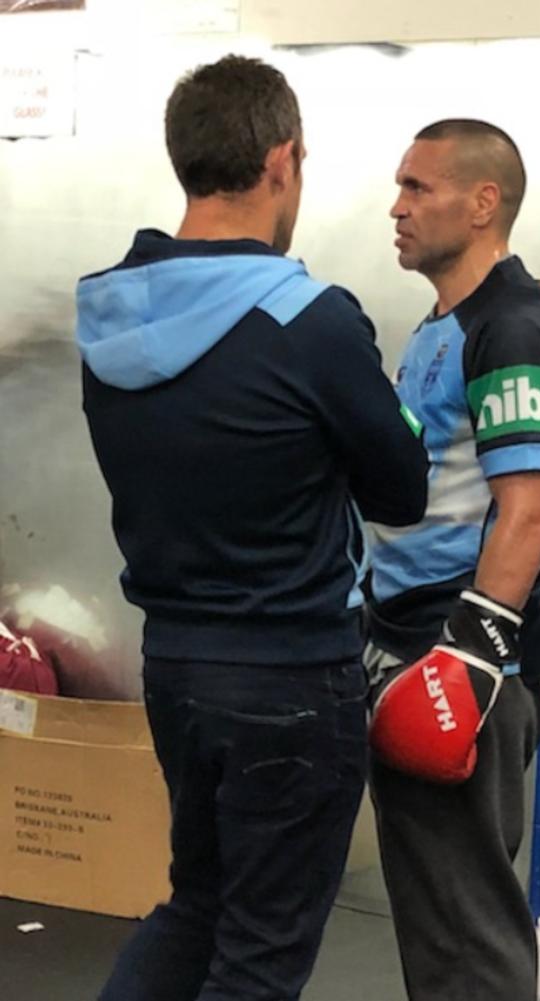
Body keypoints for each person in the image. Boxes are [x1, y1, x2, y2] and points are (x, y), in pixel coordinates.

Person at [75, 55, 429, 1001]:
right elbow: (401, 491)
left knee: (197, 906)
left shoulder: (107, 312)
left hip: (176, 666)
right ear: (284, 159)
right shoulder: (311, 322)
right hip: (291, 675)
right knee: (261, 953)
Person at [365, 119, 540, 1001]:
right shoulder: (443, 323)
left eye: (418, 187)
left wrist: (464, 660)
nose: (398, 207)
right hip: (408, 638)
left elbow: (527, 516)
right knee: (435, 917)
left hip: (465, 662)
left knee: (468, 930)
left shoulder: (512, 327)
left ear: (483, 201)